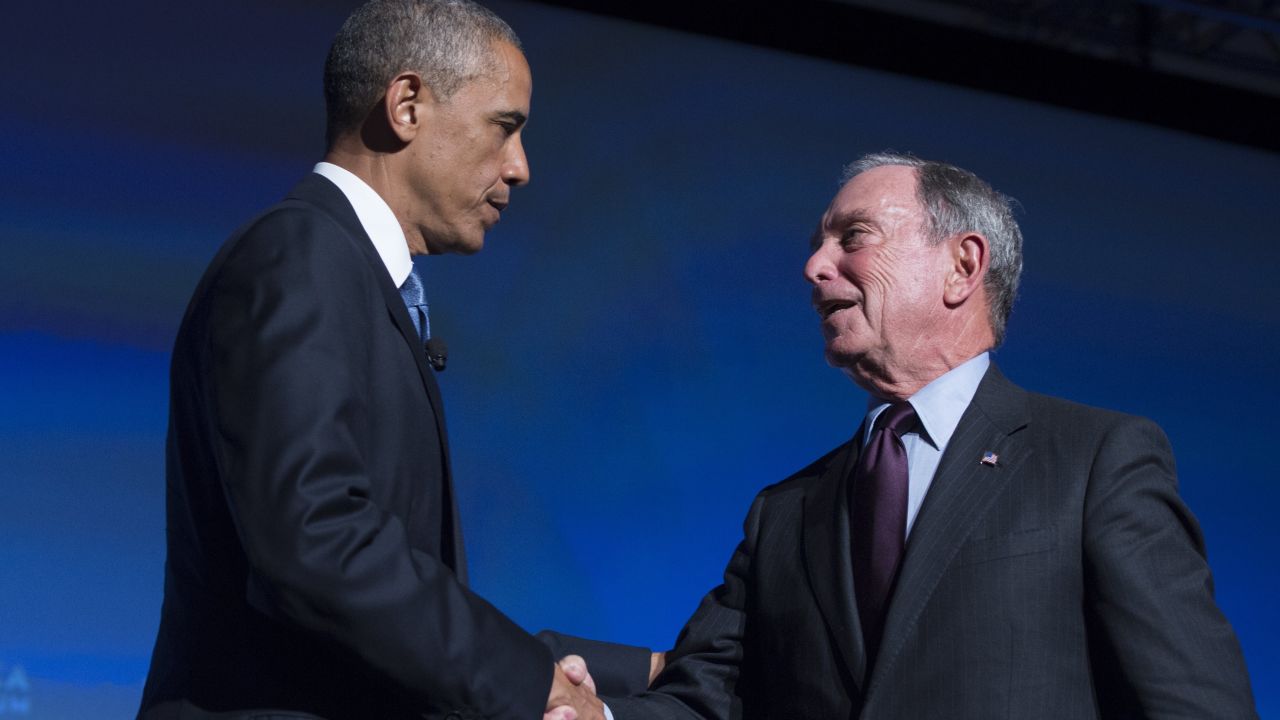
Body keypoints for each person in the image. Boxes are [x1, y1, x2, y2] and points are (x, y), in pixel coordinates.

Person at [607, 153, 1257, 718]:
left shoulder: (1093, 462)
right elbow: (704, 699)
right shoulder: (783, 513)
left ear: (962, 265)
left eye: (853, 237)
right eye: (816, 244)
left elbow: (1192, 702)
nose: (813, 266)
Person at [137, 2, 650, 718]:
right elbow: (317, 543)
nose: (521, 167)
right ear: (406, 105)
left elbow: (389, 595)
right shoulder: (302, 256)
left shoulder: (350, 275)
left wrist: (628, 672)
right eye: (505, 127)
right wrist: (534, 688)